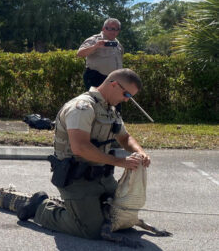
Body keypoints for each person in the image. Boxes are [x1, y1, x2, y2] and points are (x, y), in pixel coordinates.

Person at [17, 68, 151, 240]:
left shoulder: (110, 109)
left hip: (102, 178)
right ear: (114, 85)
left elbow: (125, 138)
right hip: (76, 180)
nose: (126, 99)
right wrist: (121, 162)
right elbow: (80, 147)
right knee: (92, 230)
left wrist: (140, 152)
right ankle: (40, 207)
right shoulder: (82, 107)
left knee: (122, 217)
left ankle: (79, 208)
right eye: (127, 94)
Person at [77, 18, 124, 112]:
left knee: (115, 105)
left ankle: (115, 125)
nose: (112, 31)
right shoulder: (95, 39)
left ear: (119, 31)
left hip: (114, 80)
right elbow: (80, 53)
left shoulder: (118, 44)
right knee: (99, 106)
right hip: (96, 77)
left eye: (116, 29)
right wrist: (96, 46)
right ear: (103, 28)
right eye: (109, 28)